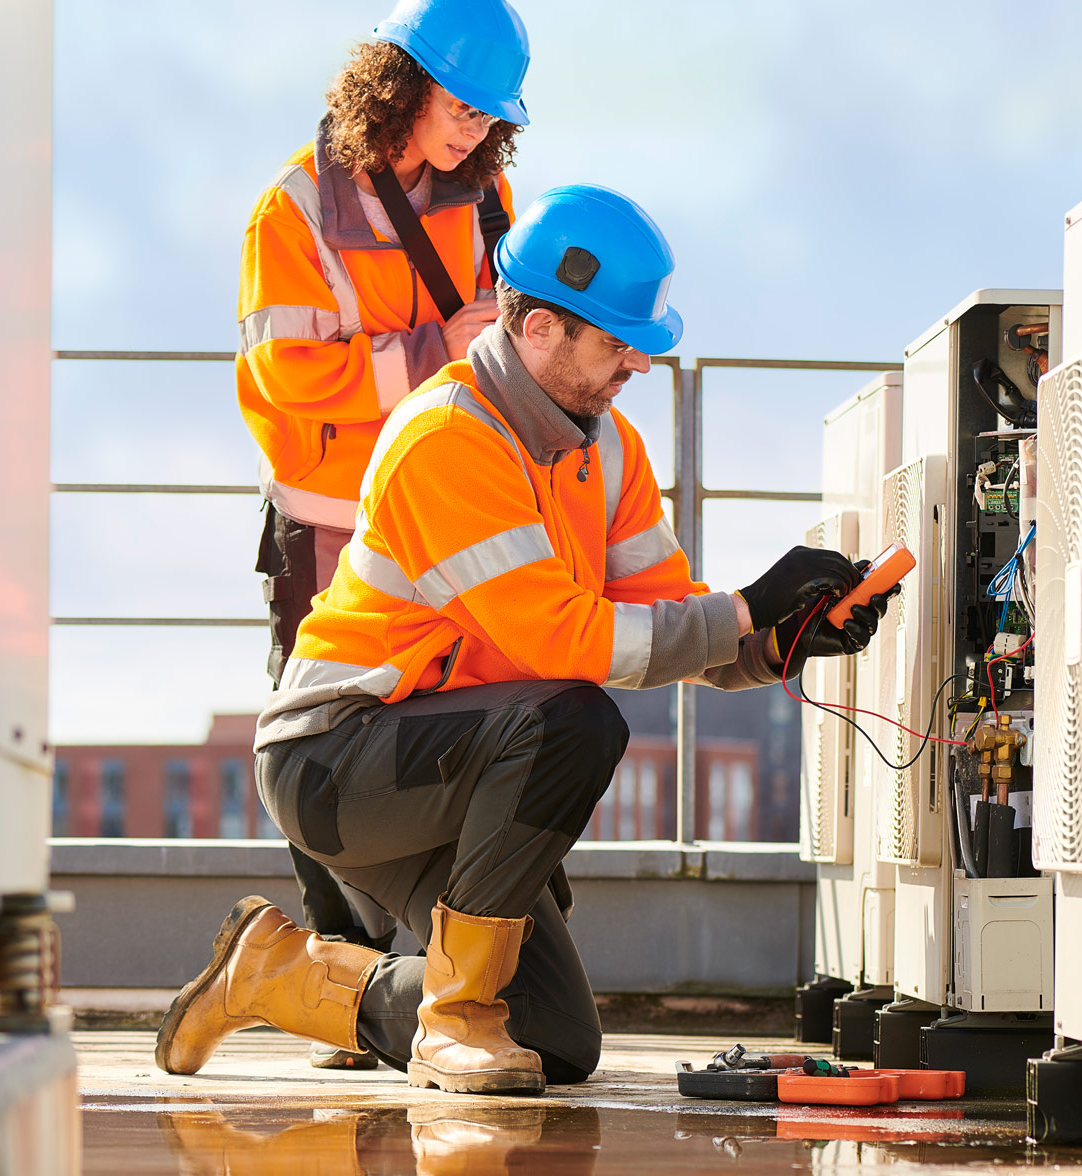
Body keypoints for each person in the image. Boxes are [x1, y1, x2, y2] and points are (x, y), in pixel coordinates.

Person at [161, 184, 886, 1095]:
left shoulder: (606, 444)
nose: (638, 365)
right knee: (579, 720)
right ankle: (454, 1023)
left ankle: (279, 974)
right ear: (540, 328)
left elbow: (662, 609)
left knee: (553, 1043)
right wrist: (743, 609)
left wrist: (779, 641)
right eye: (618, 343)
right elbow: (562, 638)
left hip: (459, 763)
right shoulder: (445, 439)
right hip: (340, 760)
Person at [235, 0, 531, 1068]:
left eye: (490, 115)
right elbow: (286, 386)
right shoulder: (294, 210)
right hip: (330, 524)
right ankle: (337, 975)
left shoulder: (488, 193)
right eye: (460, 105)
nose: (472, 129)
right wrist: (430, 349)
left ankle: (398, 980)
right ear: (399, 83)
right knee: (317, 744)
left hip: (443, 515)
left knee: (439, 727)